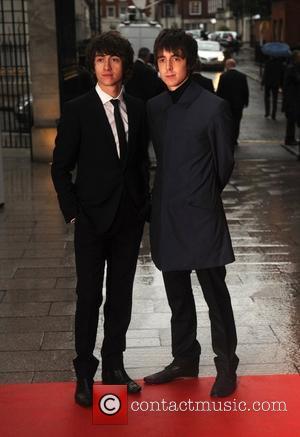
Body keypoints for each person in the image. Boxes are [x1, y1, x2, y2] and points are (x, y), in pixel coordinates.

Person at [51, 31, 150, 407]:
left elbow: (141, 162)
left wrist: (143, 205)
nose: (107, 67)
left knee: (121, 298)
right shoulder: (77, 109)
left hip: (127, 220)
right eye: (99, 60)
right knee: (89, 297)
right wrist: (73, 213)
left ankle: (114, 367)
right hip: (91, 221)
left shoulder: (138, 109)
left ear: (125, 65)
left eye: (114, 59)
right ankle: (83, 374)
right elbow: (60, 168)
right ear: (92, 65)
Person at [143, 29, 239, 398]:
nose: (168, 67)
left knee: (216, 293)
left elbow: (223, 164)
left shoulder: (212, 106)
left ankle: (226, 364)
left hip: (202, 215)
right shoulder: (154, 107)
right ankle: (184, 358)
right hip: (167, 214)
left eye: (175, 58)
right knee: (177, 294)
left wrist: (200, 195)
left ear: (190, 61)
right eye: (162, 59)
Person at [217, 58, 249, 146]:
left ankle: (227, 138)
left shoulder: (223, 76)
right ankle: (234, 139)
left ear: (227, 66)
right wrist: (246, 102)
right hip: (238, 104)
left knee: (227, 122)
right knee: (236, 122)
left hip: (226, 104)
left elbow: (220, 91)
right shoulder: (242, 76)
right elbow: (245, 90)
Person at [282, 50, 300, 146]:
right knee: (291, 119)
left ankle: (291, 138)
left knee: (292, 120)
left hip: (293, 98)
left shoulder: (293, 67)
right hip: (291, 98)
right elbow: (297, 79)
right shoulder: (292, 68)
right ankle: (289, 139)